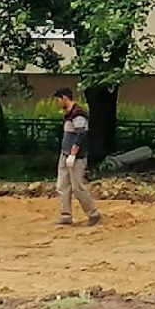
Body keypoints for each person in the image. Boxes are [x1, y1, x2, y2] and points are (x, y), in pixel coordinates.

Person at [52, 88, 100, 227]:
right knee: (62, 186)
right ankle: (65, 215)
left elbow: (81, 135)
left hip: (76, 158)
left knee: (77, 187)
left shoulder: (78, 114)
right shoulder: (69, 114)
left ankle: (93, 213)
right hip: (65, 154)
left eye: (58, 99)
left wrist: (73, 155)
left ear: (65, 98)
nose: (57, 102)